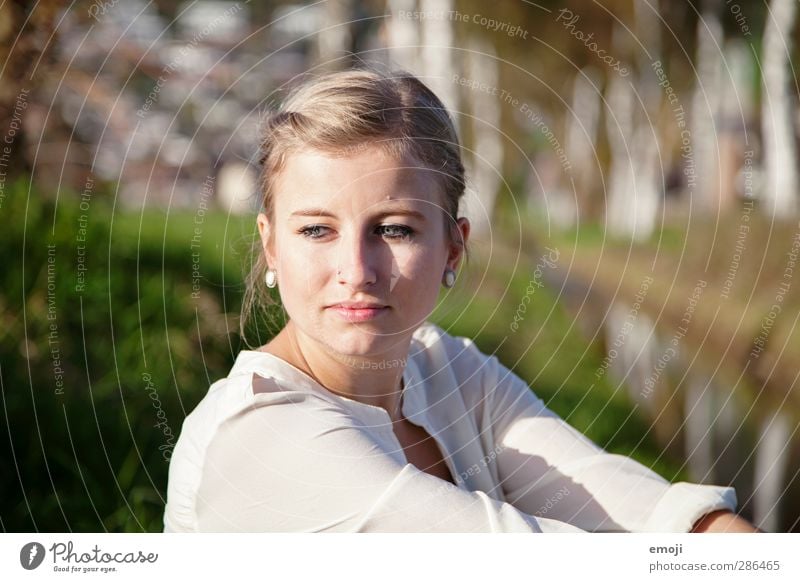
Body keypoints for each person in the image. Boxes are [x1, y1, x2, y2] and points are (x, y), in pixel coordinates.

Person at [163, 68, 757, 533]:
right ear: (271, 247)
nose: (356, 271)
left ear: (453, 247)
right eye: (316, 230)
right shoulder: (263, 438)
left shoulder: (445, 368)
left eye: (394, 229)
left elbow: (624, 501)